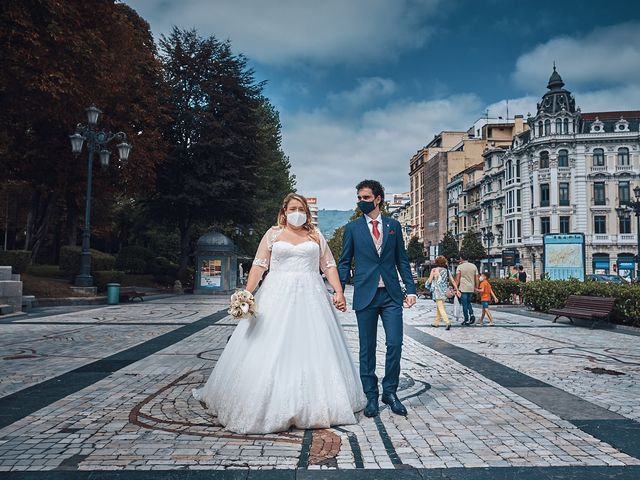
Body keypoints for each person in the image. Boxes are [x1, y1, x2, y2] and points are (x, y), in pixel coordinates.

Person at [192, 193, 366, 434]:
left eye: (301, 208)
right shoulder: (273, 234)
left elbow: (328, 265)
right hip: (276, 293)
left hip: (311, 294)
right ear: (284, 211)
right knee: (268, 345)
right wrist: (247, 292)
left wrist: (338, 291)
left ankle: (316, 402)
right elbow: (259, 265)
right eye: (293, 208)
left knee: (313, 345)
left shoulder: (315, 235)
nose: (298, 212)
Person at [338, 180, 417, 418]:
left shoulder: (393, 226)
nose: (361, 201)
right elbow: (344, 262)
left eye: (365, 197)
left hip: (391, 295)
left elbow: (401, 259)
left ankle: (390, 392)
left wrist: (411, 290)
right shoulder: (351, 229)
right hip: (365, 295)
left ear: (378, 198)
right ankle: (371, 395)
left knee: (395, 343)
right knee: (367, 347)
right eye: (359, 198)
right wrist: (339, 291)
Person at [427, 255, 459, 330]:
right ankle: (436, 322)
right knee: (440, 306)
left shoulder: (434, 270)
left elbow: (430, 280)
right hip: (444, 291)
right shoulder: (447, 271)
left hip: (437, 291)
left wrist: (429, 282)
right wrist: (456, 289)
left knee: (440, 307)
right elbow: (453, 281)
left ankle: (447, 322)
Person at [455, 253, 479, 325]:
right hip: (471, 288)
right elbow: (477, 278)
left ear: (461, 258)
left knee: (464, 304)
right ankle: (472, 315)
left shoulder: (460, 267)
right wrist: (476, 287)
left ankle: (466, 319)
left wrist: (455, 288)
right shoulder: (474, 266)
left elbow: (457, 279)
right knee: (468, 302)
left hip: (463, 288)